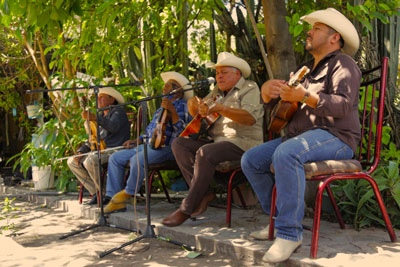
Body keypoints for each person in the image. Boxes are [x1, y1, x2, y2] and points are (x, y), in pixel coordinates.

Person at [241, 8, 361, 263]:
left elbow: (342, 105)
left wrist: (305, 96)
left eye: (316, 28)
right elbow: (281, 115)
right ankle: (276, 222)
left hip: (337, 138)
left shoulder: (344, 64)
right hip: (302, 138)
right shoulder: (303, 70)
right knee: (251, 160)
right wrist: (266, 96)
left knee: (287, 152)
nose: (309, 31)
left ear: (334, 37)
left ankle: (289, 234)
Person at [162, 52, 264, 227]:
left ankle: (186, 208)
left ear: (237, 73)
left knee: (205, 152)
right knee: (179, 144)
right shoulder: (216, 92)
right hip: (217, 143)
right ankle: (204, 194)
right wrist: (194, 108)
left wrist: (221, 108)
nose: (219, 76)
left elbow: (249, 118)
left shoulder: (250, 88)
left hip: (243, 143)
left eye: (224, 72)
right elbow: (200, 121)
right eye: (217, 73)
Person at [103, 71, 193, 213]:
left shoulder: (184, 105)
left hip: (169, 148)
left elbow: (184, 133)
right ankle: (112, 197)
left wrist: (173, 113)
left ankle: (127, 194)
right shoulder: (160, 107)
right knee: (115, 158)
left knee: (137, 159)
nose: (164, 89)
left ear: (178, 90)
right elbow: (152, 130)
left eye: (168, 86)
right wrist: (137, 140)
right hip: (150, 145)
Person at [67, 87, 130, 205]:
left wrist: (96, 118)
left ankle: (106, 193)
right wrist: (81, 151)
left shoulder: (118, 112)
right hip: (102, 150)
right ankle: (97, 192)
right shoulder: (101, 115)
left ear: (112, 100)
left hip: (116, 150)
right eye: (98, 97)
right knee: (72, 162)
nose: (98, 100)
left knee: (90, 161)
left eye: (102, 97)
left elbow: (113, 127)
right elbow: (93, 139)